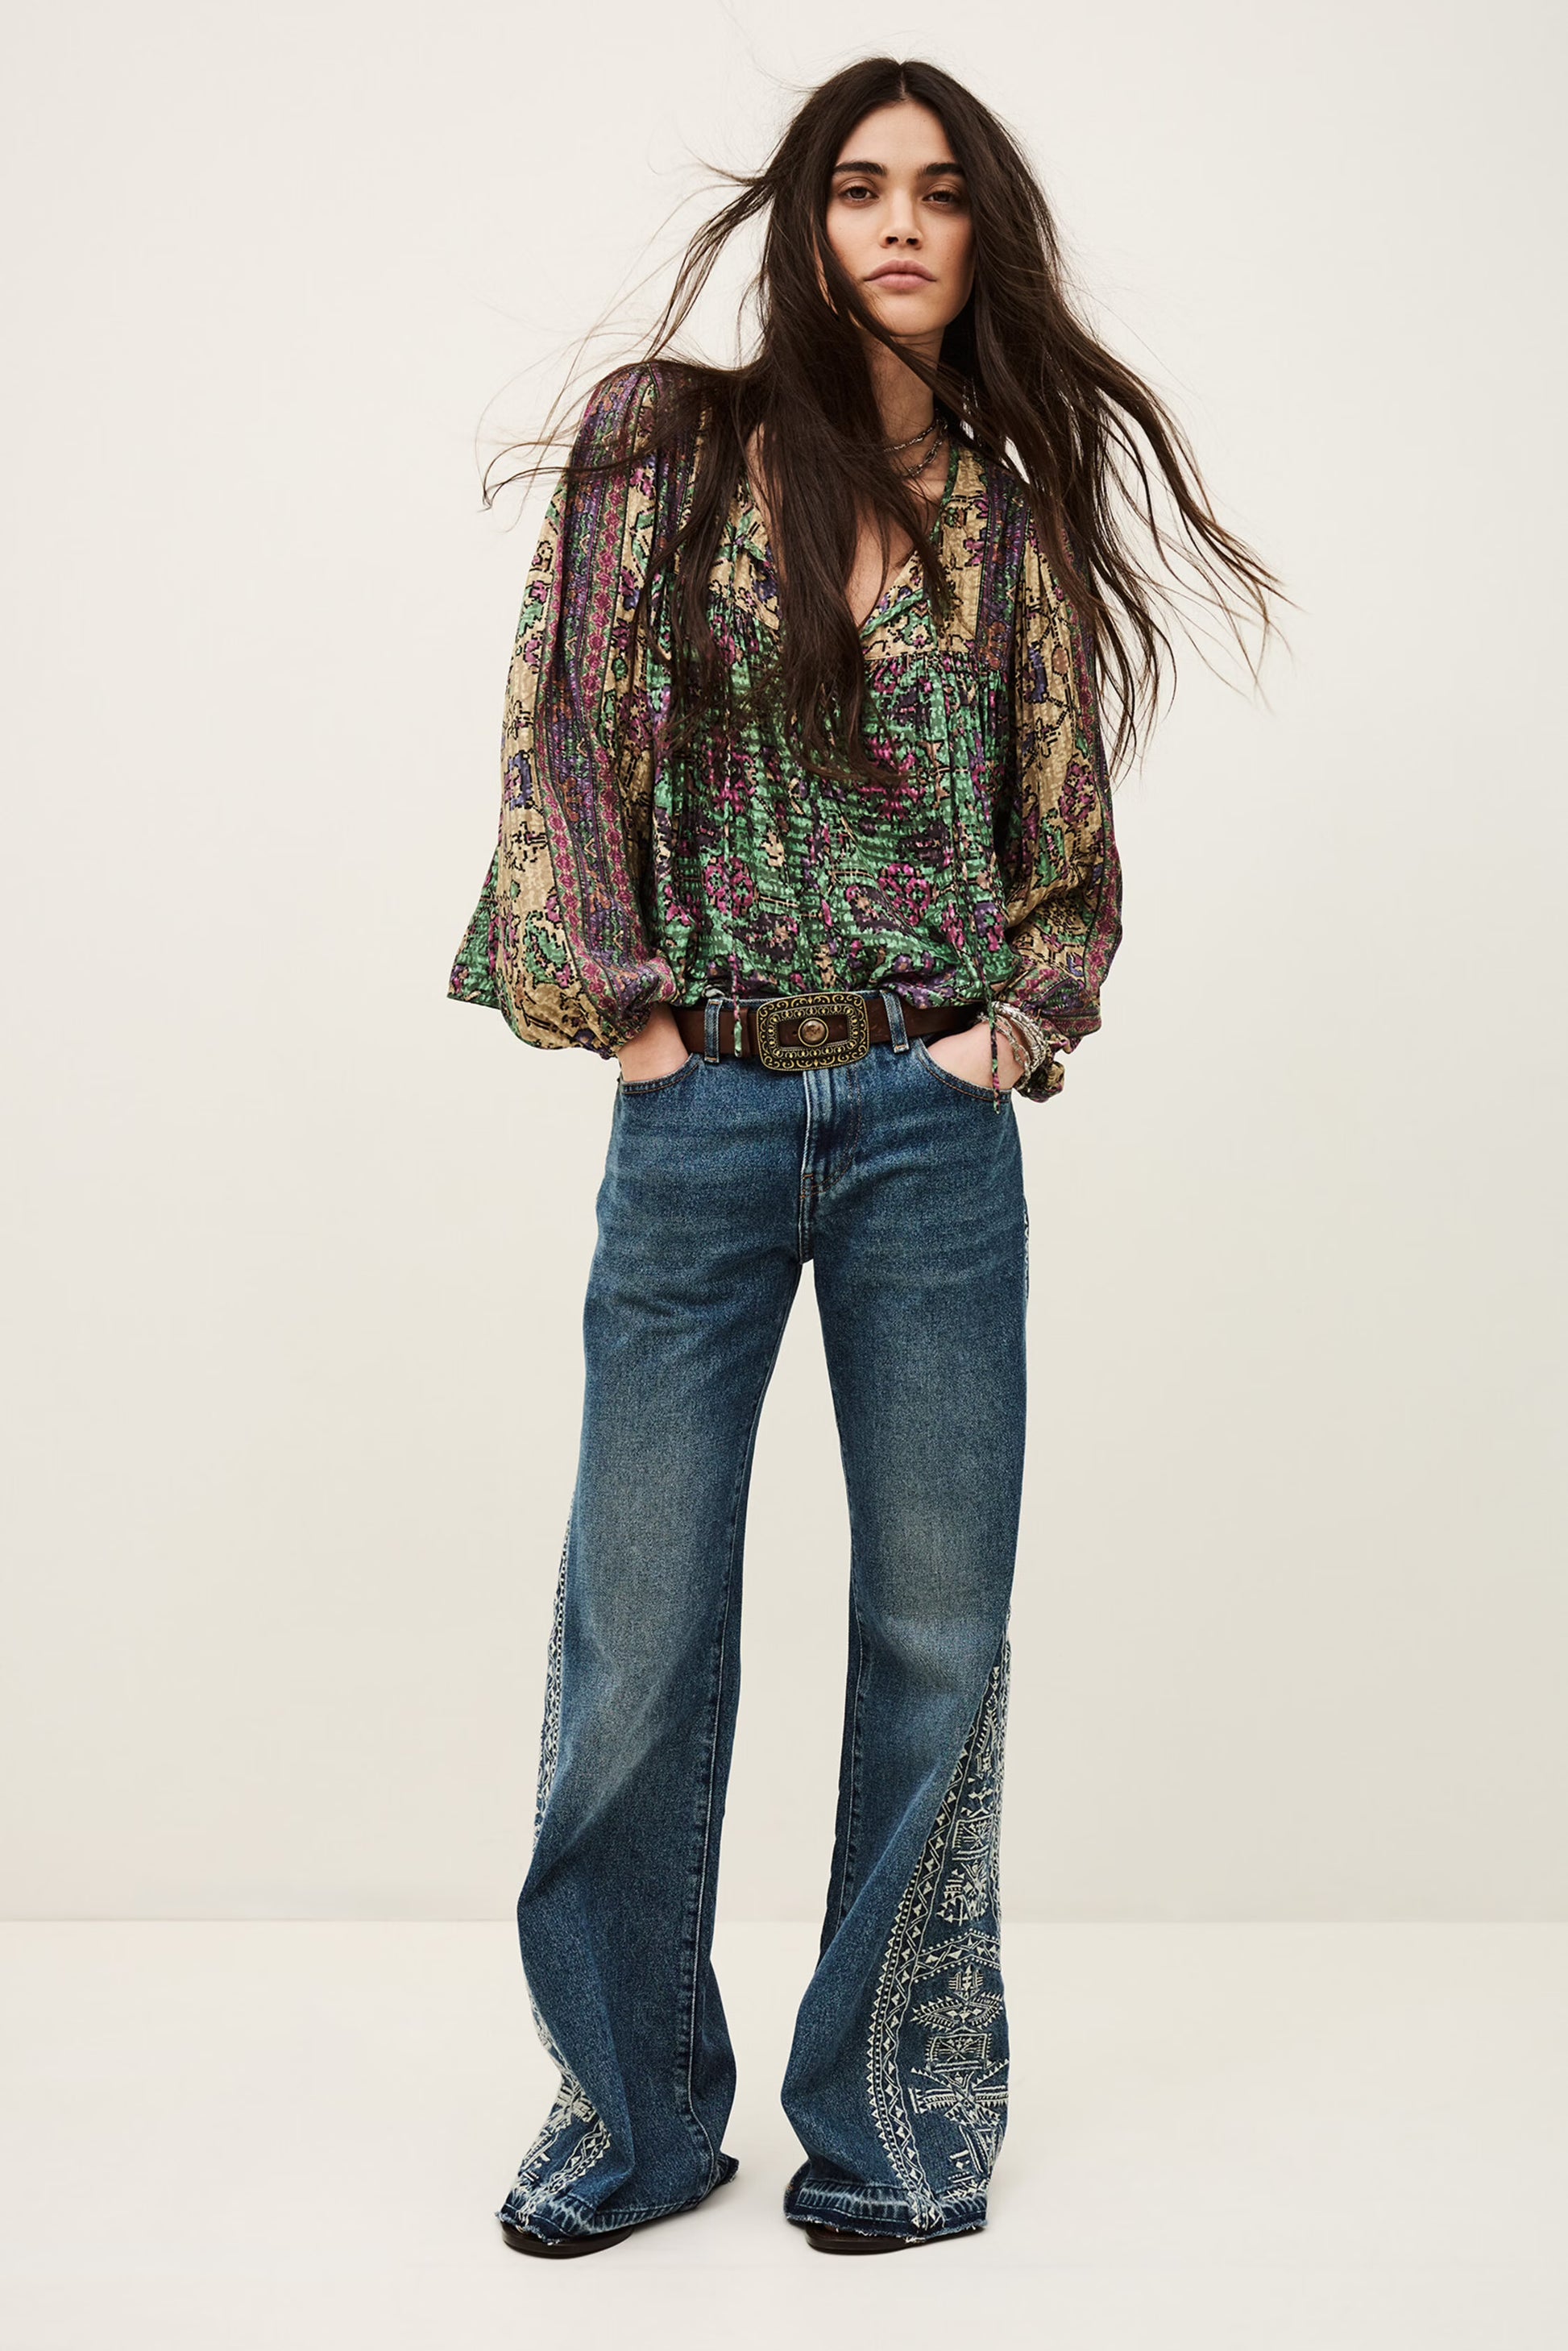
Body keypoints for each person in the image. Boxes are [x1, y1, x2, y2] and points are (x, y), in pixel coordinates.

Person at [447, 56, 1279, 2257]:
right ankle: (628, 2109)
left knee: (933, 1629)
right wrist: (627, 1018)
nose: (894, 225)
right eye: (854, 190)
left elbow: (1062, 840)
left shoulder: (1008, 518)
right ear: (806, 228)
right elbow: (554, 733)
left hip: (927, 1125)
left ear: (983, 235)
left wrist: (1013, 1033)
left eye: (935, 194)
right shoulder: (665, 448)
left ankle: (896, 2113)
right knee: (635, 1636)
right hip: (697, 1107)